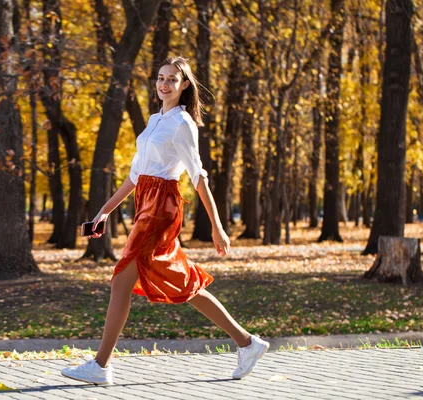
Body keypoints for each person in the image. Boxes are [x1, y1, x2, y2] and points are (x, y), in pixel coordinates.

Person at [62, 57, 269, 385]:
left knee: (121, 281)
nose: (164, 84)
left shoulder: (183, 123)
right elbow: (134, 176)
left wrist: (217, 226)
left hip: (162, 206)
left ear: (184, 85)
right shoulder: (154, 120)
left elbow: (198, 176)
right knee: (180, 280)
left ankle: (101, 366)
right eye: (161, 78)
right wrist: (103, 211)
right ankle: (247, 342)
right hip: (145, 201)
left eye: (172, 79)